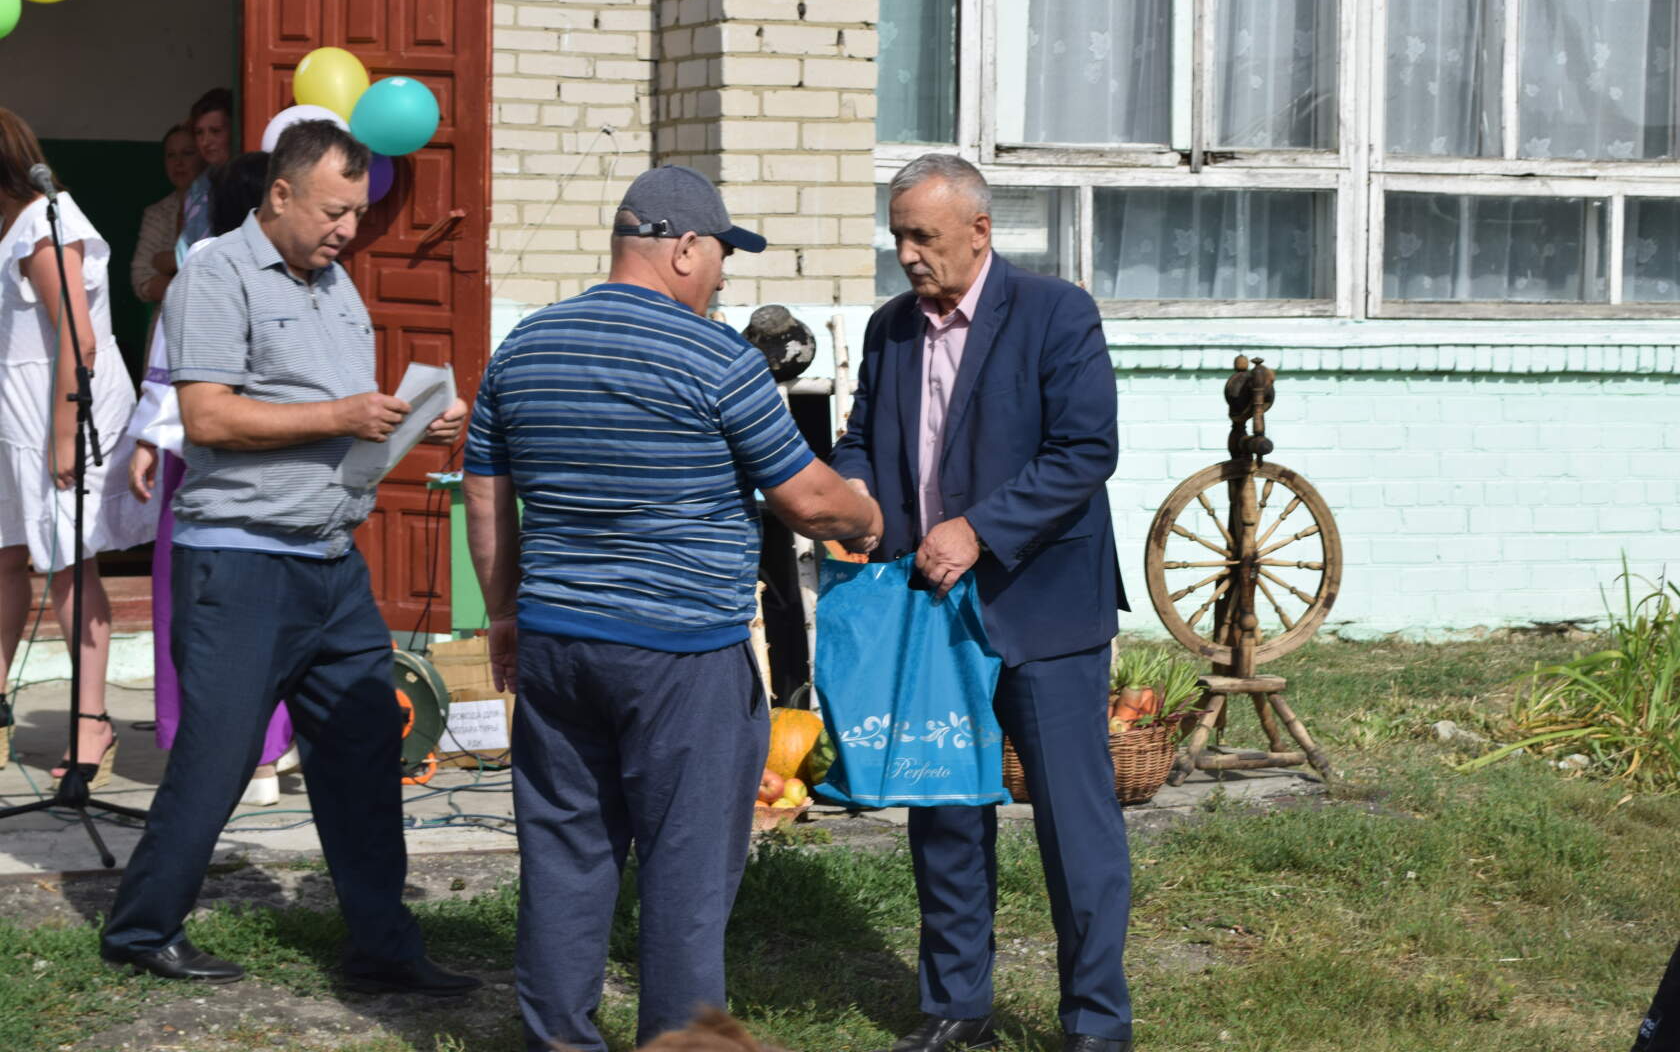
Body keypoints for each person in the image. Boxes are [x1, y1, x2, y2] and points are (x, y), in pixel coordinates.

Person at [463, 164, 882, 1052]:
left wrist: (504, 614)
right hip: (680, 654)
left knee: (566, 862)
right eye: (723, 254)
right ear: (683, 247)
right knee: (687, 880)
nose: (726, 274)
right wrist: (868, 512)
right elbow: (806, 501)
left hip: (555, 642)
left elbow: (487, 492)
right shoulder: (716, 358)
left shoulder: (525, 346)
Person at [101, 121, 476, 995]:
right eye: (334, 210)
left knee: (363, 743)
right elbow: (211, 419)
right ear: (279, 195)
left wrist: (418, 423)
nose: (347, 227)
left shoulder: (339, 286)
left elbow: (342, 419)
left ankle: (383, 946)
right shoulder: (214, 275)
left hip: (331, 561)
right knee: (221, 755)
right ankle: (142, 928)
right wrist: (344, 416)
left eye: (357, 211)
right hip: (240, 562)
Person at [829, 154, 1133, 1052]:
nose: (909, 255)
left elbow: (1085, 451)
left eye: (924, 236)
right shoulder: (889, 329)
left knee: (1075, 828)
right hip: (932, 612)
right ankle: (956, 1007)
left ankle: (1095, 1023)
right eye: (898, 238)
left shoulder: (1055, 314)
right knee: (946, 812)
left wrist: (978, 529)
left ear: (980, 230)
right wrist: (855, 501)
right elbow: (858, 439)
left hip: (1041, 606)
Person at [127, 151, 297, 808]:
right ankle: (274, 745)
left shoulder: (205, 263)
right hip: (279, 453)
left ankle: (232, 757)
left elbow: (173, 366)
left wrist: (147, 437)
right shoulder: (296, 267)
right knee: (271, 604)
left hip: (204, 456)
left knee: (198, 609)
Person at [0, 107, 156, 783]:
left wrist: (65, 436)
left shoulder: (42, 221)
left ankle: (92, 721)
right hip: (14, 415)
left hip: (57, 412)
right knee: (5, 560)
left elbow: (79, 337)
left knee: (69, 565)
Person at [130, 124, 202, 308]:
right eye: (171, 155)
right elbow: (140, 278)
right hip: (163, 325)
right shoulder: (157, 213)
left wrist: (167, 261)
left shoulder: (219, 203)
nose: (178, 163)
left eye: (187, 153)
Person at [174, 88, 234, 267]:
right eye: (199, 133)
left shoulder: (245, 182)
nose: (206, 141)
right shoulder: (197, 187)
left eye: (215, 131)